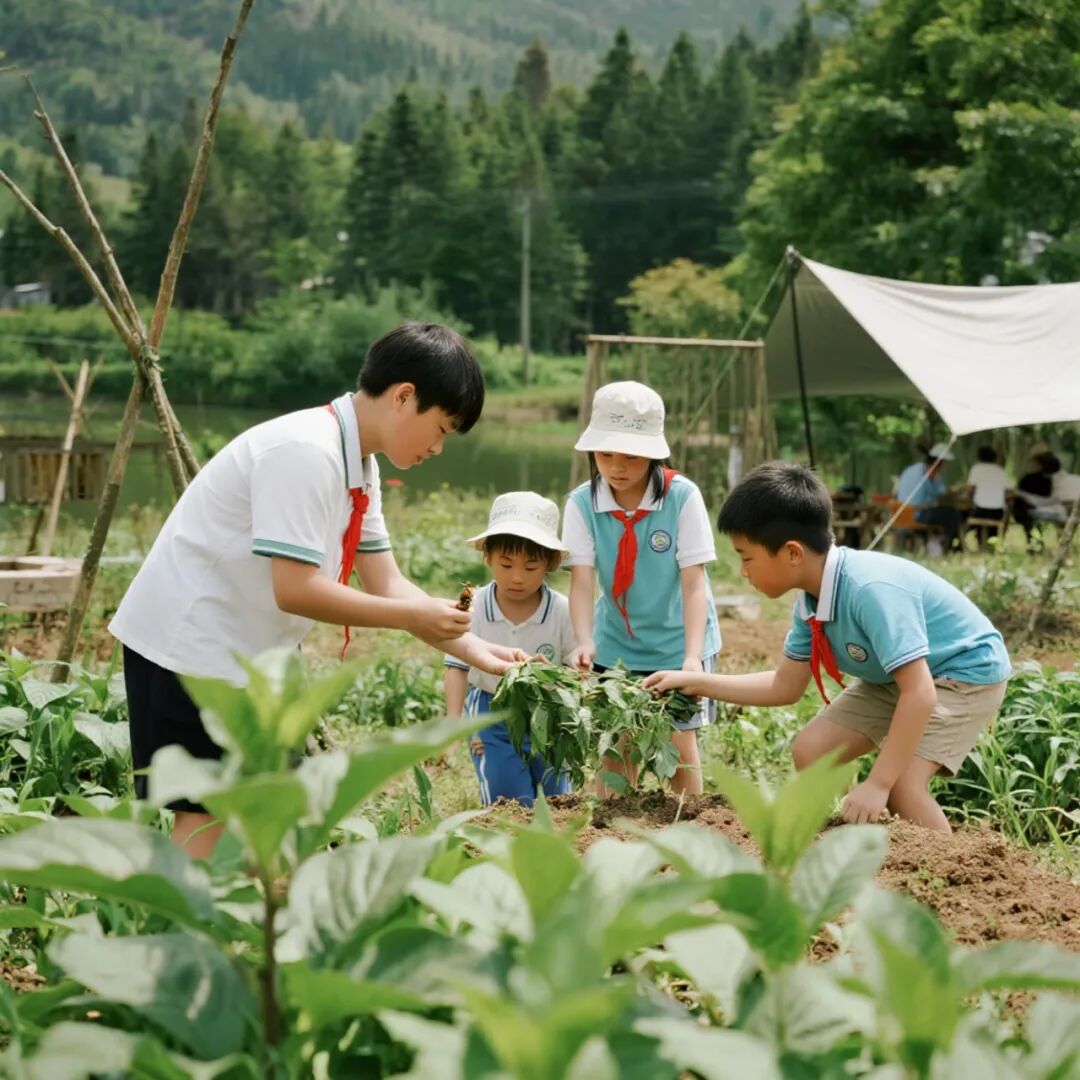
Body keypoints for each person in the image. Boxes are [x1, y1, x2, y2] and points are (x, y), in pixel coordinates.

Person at [109, 323, 526, 858]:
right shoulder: (305, 452)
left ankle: (239, 908)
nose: (438, 448)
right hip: (189, 646)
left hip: (248, 654)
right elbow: (297, 590)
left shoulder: (359, 467)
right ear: (404, 396)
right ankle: (187, 910)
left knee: (264, 812)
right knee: (206, 812)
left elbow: (388, 582)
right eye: (441, 429)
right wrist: (410, 619)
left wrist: (478, 651)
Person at [644, 462, 1011, 833]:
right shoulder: (811, 600)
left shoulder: (869, 591)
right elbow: (784, 687)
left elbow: (919, 694)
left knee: (902, 787)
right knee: (813, 750)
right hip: (899, 678)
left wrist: (878, 784)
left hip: (963, 673)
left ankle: (947, 867)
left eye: (746, 556)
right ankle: (851, 838)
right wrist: (697, 682)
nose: (742, 571)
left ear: (793, 553)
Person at [562, 381, 721, 796]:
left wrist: (691, 658)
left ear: (654, 453)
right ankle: (610, 828)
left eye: (631, 456)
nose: (616, 467)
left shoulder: (682, 497)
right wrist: (584, 641)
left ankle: (687, 824)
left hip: (678, 642)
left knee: (678, 749)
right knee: (617, 748)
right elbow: (582, 580)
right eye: (605, 454)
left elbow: (694, 583)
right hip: (616, 644)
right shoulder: (581, 503)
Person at [444, 492, 577, 807]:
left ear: (550, 563)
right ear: (487, 557)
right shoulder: (474, 605)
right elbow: (456, 666)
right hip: (493, 710)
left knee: (556, 799)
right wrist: (457, 725)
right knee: (509, 801)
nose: (517, 578)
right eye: (506, 564)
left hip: (549, 712)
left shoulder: (563, 610)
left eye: (531, 567)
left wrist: (563, 679)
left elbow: (576, 668)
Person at [895, 442, 962, 551]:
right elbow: (942, 495)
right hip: (917, 514)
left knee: (946, 513)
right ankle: (951, 547)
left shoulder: (911, 469)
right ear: (939, 463)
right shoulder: (930, 472)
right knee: (952, 513)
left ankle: (950, 545)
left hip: (901, 514)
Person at [965, 445, 1011, 547]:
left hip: (980, 511)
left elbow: (969, 490)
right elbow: (1008, 492)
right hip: (998, 512)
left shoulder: (976, 469)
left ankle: (961, 543)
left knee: (964, 516)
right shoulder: (1000, 470)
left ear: (979, 457)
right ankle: (993, 543)